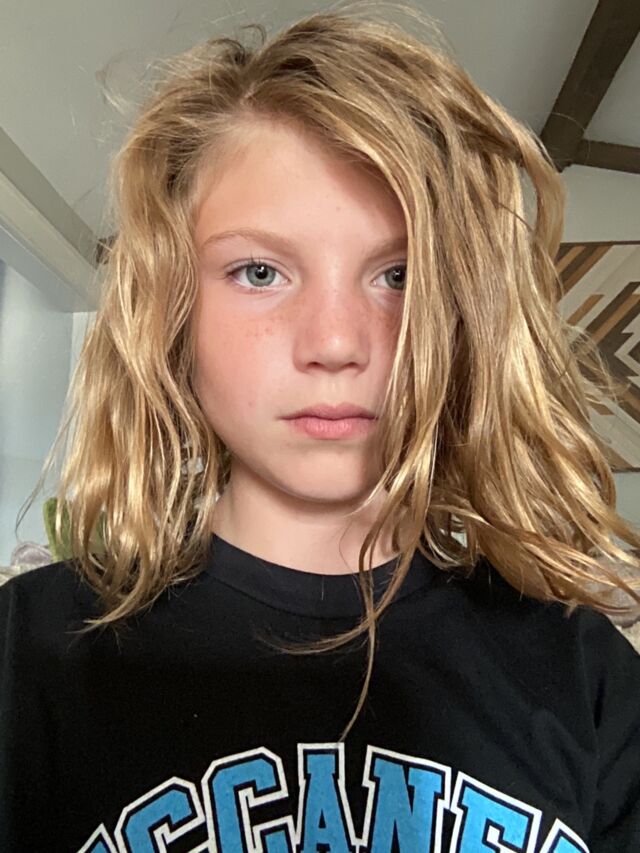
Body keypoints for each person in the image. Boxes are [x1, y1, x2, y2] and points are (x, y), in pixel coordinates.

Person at [2, 5, 640, 851]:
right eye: (259, 271)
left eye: (399, 274)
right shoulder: (27, 656)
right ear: (173, 309)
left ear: (463, 315)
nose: (336, 342)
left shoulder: (587, 673)